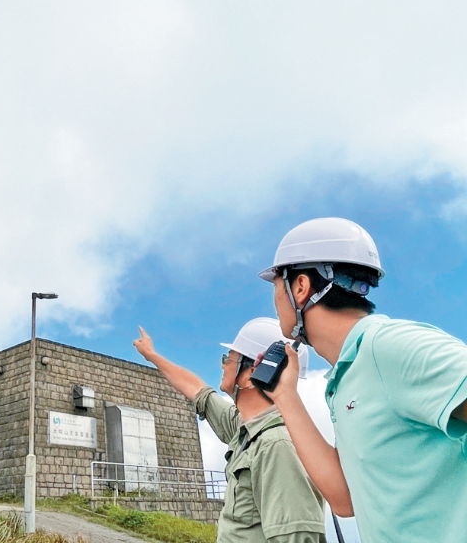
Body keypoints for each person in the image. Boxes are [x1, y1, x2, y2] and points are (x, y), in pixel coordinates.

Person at [258, 217, 467, 543]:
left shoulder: (388, 346)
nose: (274, 300)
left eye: (275, 286)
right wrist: (286, 396)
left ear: (300, 287)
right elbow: (345, 498)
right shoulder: (348, 376)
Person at [133, 319, 326, 543]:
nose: (223, 365)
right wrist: (151, 355)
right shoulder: (244, 429)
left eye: (229, 359)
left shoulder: (276, 444)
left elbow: (298, 537)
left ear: (253, 373)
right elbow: (198, 390)